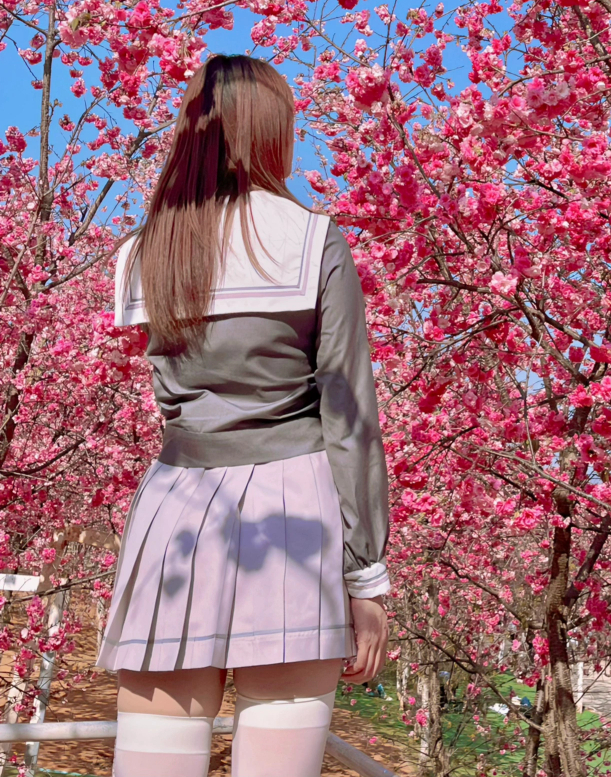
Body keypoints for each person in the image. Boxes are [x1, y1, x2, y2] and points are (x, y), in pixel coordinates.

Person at [96, 54, 390, 777]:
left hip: (173, 511)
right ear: (273, 134)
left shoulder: (141, 255)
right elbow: (348, 417)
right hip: (294, 517)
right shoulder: (312, 239)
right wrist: (368, 581)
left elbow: (175, 396)